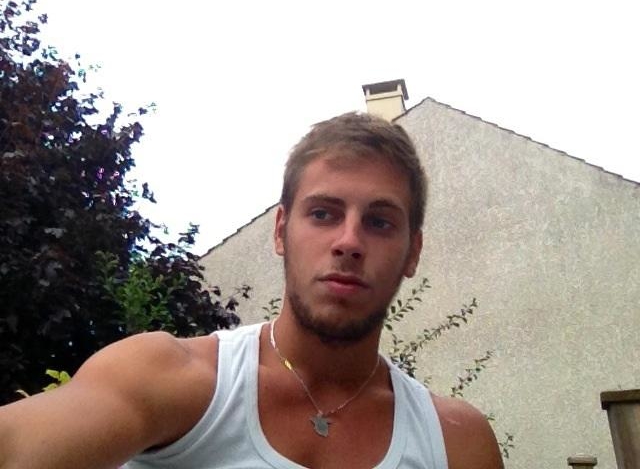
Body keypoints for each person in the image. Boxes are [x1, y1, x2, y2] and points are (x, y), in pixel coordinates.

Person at [0, 112, 503, 468]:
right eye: (323, 213)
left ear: (413, 252)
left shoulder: (456, 445)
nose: (349, 241)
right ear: (281, 231)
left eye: (379, 222)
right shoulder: (174, 381)